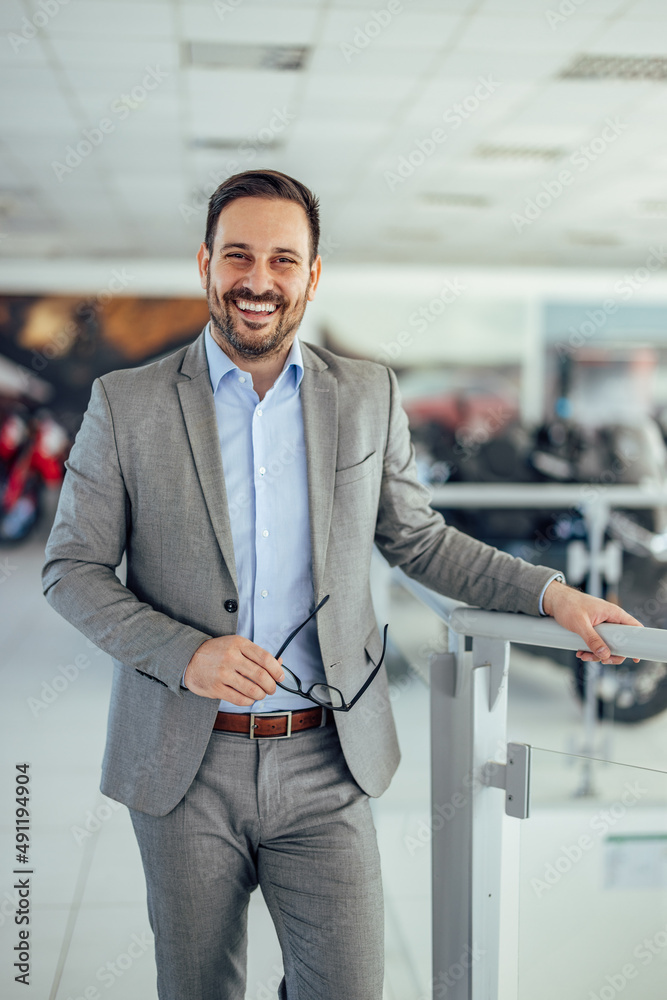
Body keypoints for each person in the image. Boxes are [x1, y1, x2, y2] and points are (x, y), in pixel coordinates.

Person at [42, 169, 641, 1000]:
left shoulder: (364, 394)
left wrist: (551, 596)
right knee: (196, 988)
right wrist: (185, 655)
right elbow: (70, 568)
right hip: (183, 760)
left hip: (326, 757)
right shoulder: (127, 402)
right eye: (239, 256)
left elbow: (418, 541)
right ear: (205, 263)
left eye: (283, 260)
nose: (259, 281)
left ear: (312, 275)